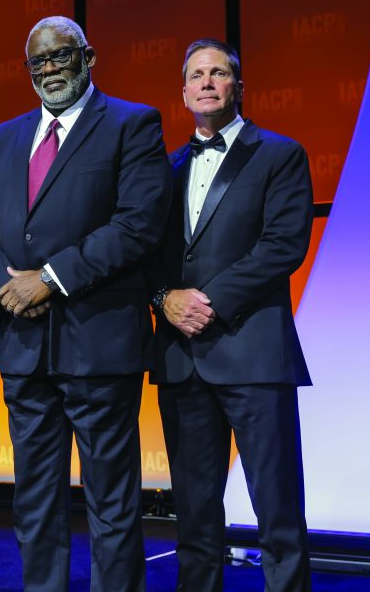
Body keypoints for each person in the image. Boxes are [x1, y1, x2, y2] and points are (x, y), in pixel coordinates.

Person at [0, 15, 172, 591]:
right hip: (23, 345)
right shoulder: (7, 136)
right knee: (34, 502)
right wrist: (4, 287)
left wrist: (50, 280)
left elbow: (138, 225)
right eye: (38, 61)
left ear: (89, 57)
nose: (50, 68)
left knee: (111, 501)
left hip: (99, 344)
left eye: (60, 56)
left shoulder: (132, 124)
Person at [148, 38, 313, 591]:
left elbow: (284, 244)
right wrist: (163, 297)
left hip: (253, 351)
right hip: (182, 360)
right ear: (185, 91)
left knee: (278, 511)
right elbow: (142, 254)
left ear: (238, 87)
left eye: (219, 73)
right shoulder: (163, 171)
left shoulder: (279, 153)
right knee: (194, 516)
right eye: (197, 75)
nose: (208, 82)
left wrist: (207, 300)